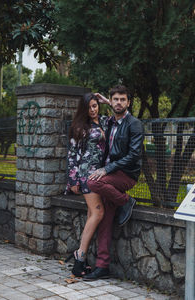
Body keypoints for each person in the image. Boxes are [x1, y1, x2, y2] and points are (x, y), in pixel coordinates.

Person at [83, 85, 144, 281]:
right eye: (115, 99)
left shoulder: (134, 124)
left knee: (92, 182)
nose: (118, 102)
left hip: (126, 174)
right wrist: (108, 103)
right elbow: (111, 113)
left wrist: (107, 169)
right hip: (112, 175)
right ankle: (102, 266)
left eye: (122, 99)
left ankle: (125, 201)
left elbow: (134, 155)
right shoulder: (109, 122)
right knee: (105, 220)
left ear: (129, 102)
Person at [65, 92, 109, 277]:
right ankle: (80, 257)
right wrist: (72, 179)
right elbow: (72, 154)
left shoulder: (106, 122)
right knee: (98, 212)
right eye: (89, 107)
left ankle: (80, 259)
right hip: (86, 174)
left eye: (95, 106)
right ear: (84, 108)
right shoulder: (79, 127)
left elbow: (122, 114)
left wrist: (106, 100)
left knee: (93, 213)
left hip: (101, 173)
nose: (93, 110)